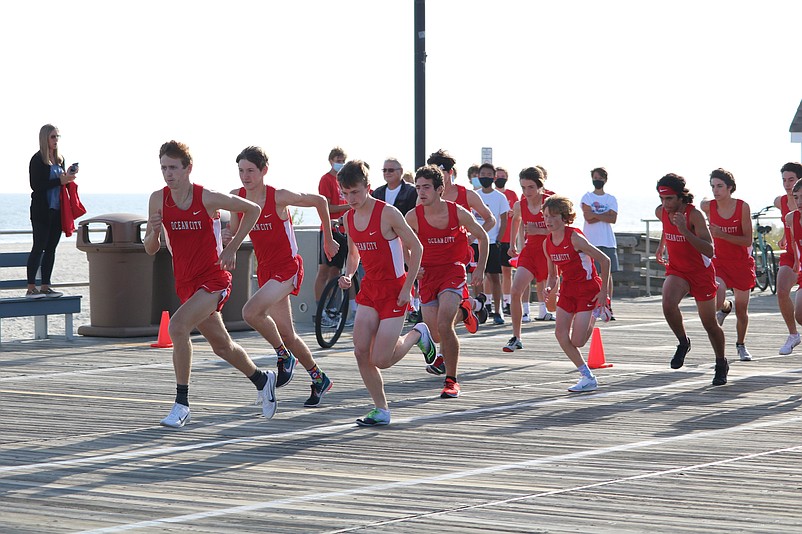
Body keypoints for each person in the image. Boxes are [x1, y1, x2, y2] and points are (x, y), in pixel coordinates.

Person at [144, 140, 276, 428]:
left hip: (215, 278)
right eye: (164, 168)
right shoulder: (158, 199)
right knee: (222, 346)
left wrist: (232, 248)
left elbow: (252, 209)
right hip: (187, 283)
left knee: (177, 327)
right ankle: (262, 379)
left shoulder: (207, 197)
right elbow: (151, 249)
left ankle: (182, 404)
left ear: (188, 168)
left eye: (174, 168)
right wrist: (154, 232)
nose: (168, 174)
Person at [226, 146, 340, 408]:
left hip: (287, 268)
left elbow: (321, 201)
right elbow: (235, 231)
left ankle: (283, 356)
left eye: (251, 171)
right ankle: (319, 377)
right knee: (288, 334)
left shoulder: (278, 196)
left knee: (250, 312)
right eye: (241, 171)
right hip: (266, 271)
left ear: (264, 171)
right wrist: (227, 234)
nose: (245, 176)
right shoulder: (237, 197)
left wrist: (329, 239)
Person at [335, 160, 431, 427]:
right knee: (360, 351)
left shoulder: (388, 213)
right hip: (370, 290)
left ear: (368, 188)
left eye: (355, 192)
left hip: (395, 290)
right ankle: (381, 409)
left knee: (381, 359)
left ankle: (418, 334)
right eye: (345, 193)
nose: (350, 198)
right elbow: (354, 254)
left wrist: (407, 287)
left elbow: (417, 247)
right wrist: (349, 274)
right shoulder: (348, 218)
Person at [406, 165, 489, 399]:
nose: (421, 192)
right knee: (437, 334)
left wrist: (479, 269)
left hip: (453, 271)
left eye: (426, 188)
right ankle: (467, 310)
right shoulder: (412, 216)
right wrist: (412, 265)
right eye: (418, 188)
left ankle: (451, 380)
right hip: (428, 276)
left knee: (444, 324)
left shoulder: (457, 212)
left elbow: (482, 236)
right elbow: (402, 243)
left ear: (439, 189)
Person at [655, 173, 728, 386]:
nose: (665, 204)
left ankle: (721, 362)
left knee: (709, 324)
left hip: (700, 273)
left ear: (680, 197)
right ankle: (683, 342)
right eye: (661, 199)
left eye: (669, 199)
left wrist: (684, 230)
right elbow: (666, 228)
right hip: (678, 270)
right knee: (668, 305)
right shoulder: (662, 212)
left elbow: (709, 249)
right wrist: (662, 245)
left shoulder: (693, 215)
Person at [542, 195, 610, 392]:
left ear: (564, 218)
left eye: (553, 216)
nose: (548, 220)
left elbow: (605, 261)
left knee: (578, 341)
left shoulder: (575, 237)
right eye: (546, 216)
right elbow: (553, 275)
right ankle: (587, 376)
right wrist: (549, 287)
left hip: (588, 289)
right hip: (568, 289)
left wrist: (603, 292)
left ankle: (597, 312)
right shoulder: (547, 243)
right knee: (560, 333)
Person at [700, 168, 755, 361]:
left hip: (741, 263)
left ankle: (741, 345)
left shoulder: (742, 207)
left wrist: (722, 234)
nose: (716, 190)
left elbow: (747, 240)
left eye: (720, 186)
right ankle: (724, 307)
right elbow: (701, 203)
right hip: (719, 261)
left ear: (730, 188)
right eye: (713, 186)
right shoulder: (708, 206)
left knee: (742, 309)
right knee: (717, 295)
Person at [504, 167, 553, 352]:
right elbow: (515, 220)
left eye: (531, 187)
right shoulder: (520, 204)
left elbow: (562, 229)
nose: (527, 192)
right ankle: (516, 336)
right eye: (523, 187)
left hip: (550, 253)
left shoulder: (550, 203)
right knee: (515, 290)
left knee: (553, 304)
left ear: (540, 186)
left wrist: (540, 231)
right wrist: (512, 244)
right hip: (530, 252)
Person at [26, 124, 77, 299]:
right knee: (38, 247)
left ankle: (45, 286)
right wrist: (60, 181)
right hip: (42, 211)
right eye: (53, 137)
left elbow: (61, 183)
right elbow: (36, 186)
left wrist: (68, 176)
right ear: (45, 138)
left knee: (51, 249)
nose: (56, 140)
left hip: (57, 210)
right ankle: (31, 287)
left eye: (58, 137)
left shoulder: (59, 159)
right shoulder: (37, 159)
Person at [314, 147, 350, 324]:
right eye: (338, 159)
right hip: (329, 229)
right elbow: (326, 207)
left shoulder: (344, 181)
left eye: (343, 160)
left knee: (336, 271)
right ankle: (320, 311)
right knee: (324, 270)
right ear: (330, 160)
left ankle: (332, 309)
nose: (341, 163)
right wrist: (348, 207)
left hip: (344, 231)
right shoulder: (326, 180)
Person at [581, 167, 619, 319]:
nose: (597, 180)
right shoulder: (587, 196)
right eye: (595, 177)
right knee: (592, 274)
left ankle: (607, 305)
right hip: (591, 241)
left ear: (605, 180)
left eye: (600, 178)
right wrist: (605, 214)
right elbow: (588, 217)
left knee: (607, 274)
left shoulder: (611, 198)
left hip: (607, 241)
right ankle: (592, 305)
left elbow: (613, 218)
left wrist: (596, 214)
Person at [474, 163, 509, 324]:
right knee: (475, 277)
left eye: (489, 174)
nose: (485, 177)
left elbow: (503, 219)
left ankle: (497, 310)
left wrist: (499, 239)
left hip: (492, 242)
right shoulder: (474, 195)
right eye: (483, 174)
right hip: (475, 241)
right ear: (478, 176)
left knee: (494, 277)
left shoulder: (500, 197)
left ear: (494, 177)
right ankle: (478, 309)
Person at [774, 162, 802, 355]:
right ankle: (793, 335)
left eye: (791, 179)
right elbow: (792, 230)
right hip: (794, 254)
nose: (787, 184)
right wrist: (785, 237)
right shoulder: (782, 203)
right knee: (782, 290)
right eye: (784, 180)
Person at [495, 166, 519, 317]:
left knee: (507, 271)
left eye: (503, 176)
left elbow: (517, 213)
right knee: (491, 273)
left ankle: (507, 302)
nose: (500, 178)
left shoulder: (511, 194)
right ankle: (490, 301)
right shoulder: (491, 194)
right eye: (498, 176)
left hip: (507, 237)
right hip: (494, 237)